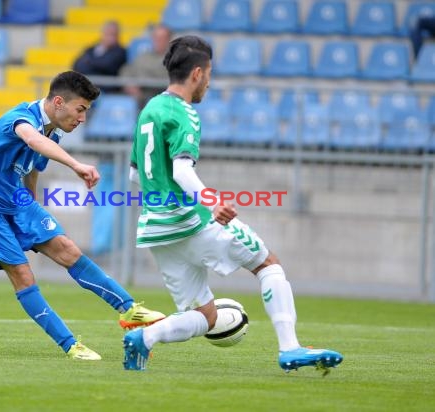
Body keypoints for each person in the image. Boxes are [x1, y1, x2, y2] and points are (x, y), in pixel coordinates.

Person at [123, 36, 343, 373]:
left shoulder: (148, 110)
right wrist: (211, 203)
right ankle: (290, 348)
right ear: (197, 73)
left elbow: (134, 176)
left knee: (204, 316)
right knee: (267, 264)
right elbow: (182, 170)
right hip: (191, 220)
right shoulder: (185, 114)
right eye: (209, 73)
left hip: (156, 228)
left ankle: (146, 338)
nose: (209, 82)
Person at [0, 71, 165, 361]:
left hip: (15, 199)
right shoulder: (22, 119)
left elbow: (31, 168)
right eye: (80, 109)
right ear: (58, 102)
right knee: (22, 274)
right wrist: (75, 165)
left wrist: (30, 208)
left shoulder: (51, 131)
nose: (82, 119)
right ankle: (70, 345)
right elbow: (31, 141)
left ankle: (129, 308)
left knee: (68, 250)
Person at [119, 24, 172, 108]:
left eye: (162, 38)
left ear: (169, 40)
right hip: (138, 95)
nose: (158, 41)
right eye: (156, 38)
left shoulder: (174, 59)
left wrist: (140, 79)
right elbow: (126, 70)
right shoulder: (143, 56)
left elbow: (166, 78)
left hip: (161, 98)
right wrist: (129, 84)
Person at [72, 20, 127, 92]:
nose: (110, 38)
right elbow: (76, 64)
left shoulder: (120, 51)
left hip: (105, 89)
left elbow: (107, 65)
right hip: (86, 85)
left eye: (113, 34)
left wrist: (88, 62)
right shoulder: (91, 49)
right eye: (108, 34)